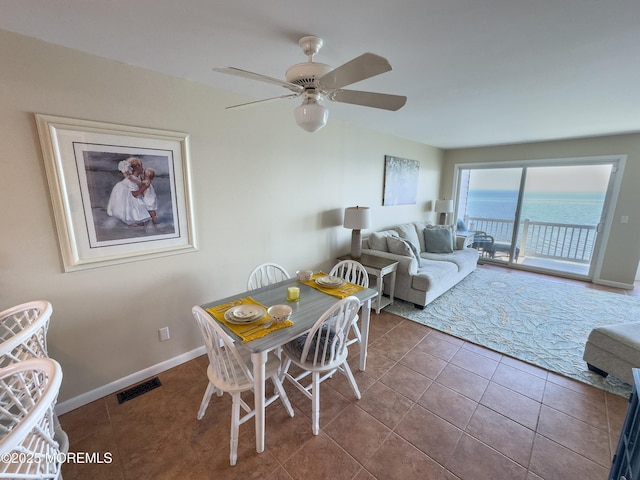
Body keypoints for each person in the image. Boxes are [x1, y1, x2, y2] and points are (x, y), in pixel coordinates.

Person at [106, 157, 151, 226]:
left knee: (137, 204)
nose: (143, 168)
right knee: (133, 206)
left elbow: (139, 185)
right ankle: (132, 220)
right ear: (137, 167)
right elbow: (134, 194)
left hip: (130, 195)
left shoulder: (134, 178)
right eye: (141, 166)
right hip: (129, 196)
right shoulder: (131, 180)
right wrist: (144, 187)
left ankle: (134, 220)